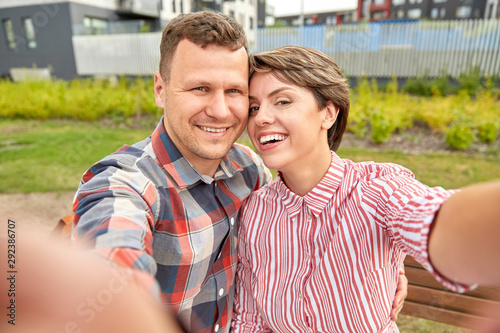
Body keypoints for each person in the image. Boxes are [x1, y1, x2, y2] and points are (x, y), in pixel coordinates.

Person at [71, 11, 406, 333]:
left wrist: (387, 258)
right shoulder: (125, 183)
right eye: (200, 88)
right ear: (160, 89)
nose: (219, 111)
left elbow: (313, 211)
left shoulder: (248, 168)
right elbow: (113, 257)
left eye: (234, 91)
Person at [231, 46, 500, 332]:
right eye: (254, 107)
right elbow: (251, 320)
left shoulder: (378, 190)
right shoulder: (255, 212)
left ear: (328, 113)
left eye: (282, 101)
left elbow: (432, 217)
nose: (260, 119)